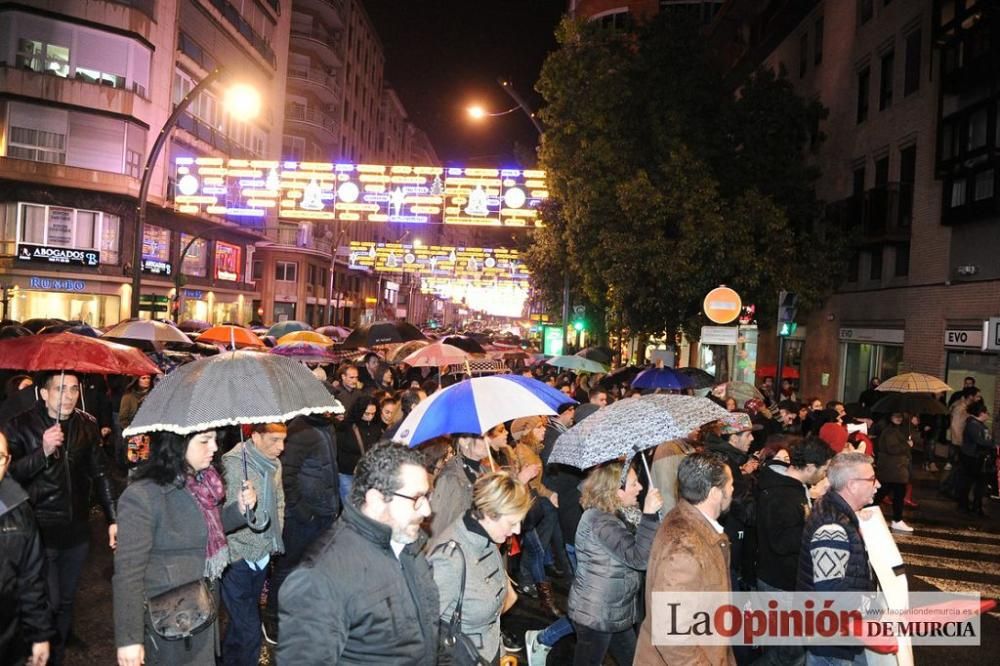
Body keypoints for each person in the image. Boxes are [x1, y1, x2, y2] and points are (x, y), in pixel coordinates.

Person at [277, 442, 439, 664]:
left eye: (427, 497)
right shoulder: (320, 577)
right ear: (376, 499)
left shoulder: (408, 544)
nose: (427, 510)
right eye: (416, 499)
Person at [1, 371, 118, 664]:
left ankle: (57, 654)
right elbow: (9, 475)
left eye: (74, 390)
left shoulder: (86, 425)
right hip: (39, 530)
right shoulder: (19, 426)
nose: (68, 396)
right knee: (47, 601)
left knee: (66, 601)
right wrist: (42, 451)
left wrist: (113, 517)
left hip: (76, 529)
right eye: (60, 389)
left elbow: (100, 473)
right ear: (43, 393)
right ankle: (36, 648)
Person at [113, 430, 258, 666]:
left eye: (214, 440)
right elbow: (127, 573)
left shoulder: (203, 482)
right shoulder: (142, 495)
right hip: (172, 617)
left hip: (203, 606)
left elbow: (206, 529)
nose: (214, 447)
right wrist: (129, 639)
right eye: (204, 441)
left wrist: (239, 510)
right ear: (178, 445)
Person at [635, 452, 735, 665]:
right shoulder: (684, 549)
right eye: (730, 485)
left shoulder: (686, 519)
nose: (733, 490)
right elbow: (673, 638)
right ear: (715, 493)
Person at [563, 462, 662, 666]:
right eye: (634, 484)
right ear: (617, 492)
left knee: (634, 659)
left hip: (614, 608)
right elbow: (639, 558)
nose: (640, 488)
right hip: (597, 614)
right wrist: (650, 515)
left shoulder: (617, 514)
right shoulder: (602, 522)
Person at [428, 472, 531, 664]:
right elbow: (422, 629)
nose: (517, 530)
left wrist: (500, 653)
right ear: (490, 514)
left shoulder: (488, 539)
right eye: (512, 522)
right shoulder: (449, 559)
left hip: (488, 654)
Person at [797, 452, 878, 665]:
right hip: (834, 641)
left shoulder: (835, 513)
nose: (877, 485)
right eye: (871, 480)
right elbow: (831, 593)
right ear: (852, 485)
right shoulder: (832, 528)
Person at [220, 423, 287, 666]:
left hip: (263, 555)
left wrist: (273, 536)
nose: (281, 447)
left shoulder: (274, 464)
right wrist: (235, 555)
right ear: (256, 436)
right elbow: (222, 518)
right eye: (274, 440)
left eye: (283, 440)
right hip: (237, 559)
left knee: (241, 624)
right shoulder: (233, 464)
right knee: (250, 630)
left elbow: (279, 500)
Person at [0, 431, 53, 666]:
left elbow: (30, 579)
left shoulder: (19, 511)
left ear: (8, 463)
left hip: (6, 639)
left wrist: (39, 635)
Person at [872, 412, 915, 533]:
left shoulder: (896, 430)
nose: (898, 418)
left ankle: (896, 519)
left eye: (900, 416)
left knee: (886, 492)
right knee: (895, 494)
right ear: (890, 417)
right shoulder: (890, 431)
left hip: (895, 469)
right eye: (895, 416)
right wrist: (907, 445)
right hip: (894, 468)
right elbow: (892, 449)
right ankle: (897, 520)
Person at [339, 396, 382, 501]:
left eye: (373, 413)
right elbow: (340, 452)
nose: (370, 417)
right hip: (348, 474)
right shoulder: (346, 427)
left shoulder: (376, 426)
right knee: (352, 505)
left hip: (367, 474)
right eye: (367, 414)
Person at [957, 402, 992, 516]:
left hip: (976, 457)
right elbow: (979, 441)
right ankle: (967, 506)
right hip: (972, 458)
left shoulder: (978, 424)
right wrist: (992, 444)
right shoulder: (973, 425)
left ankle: (974, 506)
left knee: (977, 483)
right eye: (987, 413)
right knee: (971, 482)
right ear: (981, 413)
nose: (988, 415)